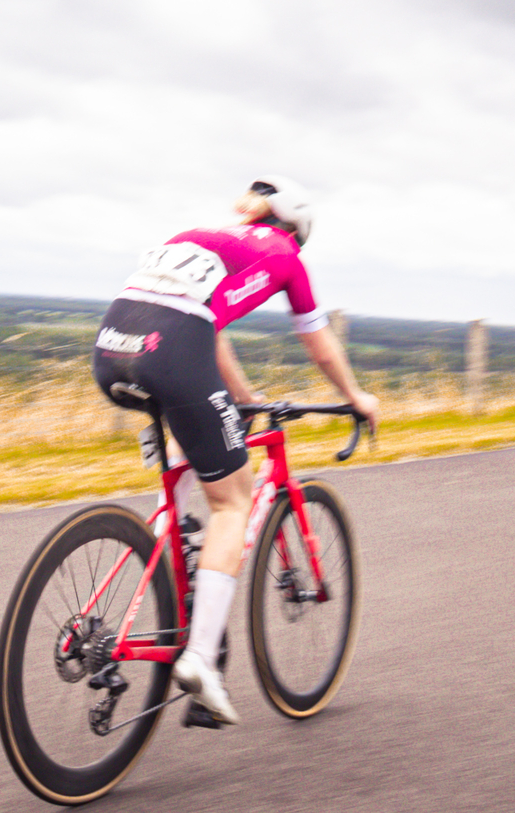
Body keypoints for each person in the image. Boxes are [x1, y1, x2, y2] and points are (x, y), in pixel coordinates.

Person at [91, 177, 378, 727]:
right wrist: (355, 396)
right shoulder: (285, 254)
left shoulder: (203, 235)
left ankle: (164, 559)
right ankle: (200, 660)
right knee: (232, 502)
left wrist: (243, 401)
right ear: (296, 229)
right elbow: (317, 343)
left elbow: (210, 329)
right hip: (173, 348)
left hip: (112, 346)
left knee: (187, 452)